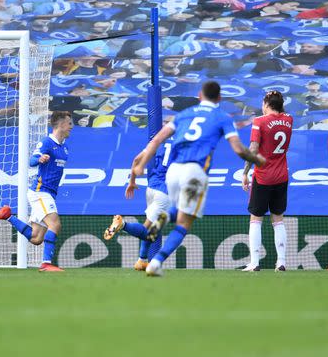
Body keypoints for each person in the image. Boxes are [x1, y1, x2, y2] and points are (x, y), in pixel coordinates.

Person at [130, 81, 266, 277]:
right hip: (194, 171)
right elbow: (238, 148)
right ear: (219, 99)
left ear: (200, 96)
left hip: (173, 171)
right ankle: (156, 262)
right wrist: (257, 159)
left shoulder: (184, 114)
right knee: (184, 223)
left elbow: (157, 140)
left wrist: (141, 164)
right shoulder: (222, 117)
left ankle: (155, 228)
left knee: (176, 210)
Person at [0, 111, 72, 272]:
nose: (72, 127)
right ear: (60, 125)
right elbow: (32, 160)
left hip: (49, 194)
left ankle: (8, 215)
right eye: (69, 123)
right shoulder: (47, 142)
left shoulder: (65, 147)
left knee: (36, 238)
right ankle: (46, 264)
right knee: (55, 224)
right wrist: (39, 159)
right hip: (41, 192)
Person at [103, 133, 175, 272]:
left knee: (152, 227)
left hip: (151, 188)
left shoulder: (158, 142)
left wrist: (132, 182)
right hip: (165, 192)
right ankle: (122, 224)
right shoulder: (183, 146)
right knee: (150, 233)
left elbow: (136, 160)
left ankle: (142, 260)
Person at [241, 91, 293, 272]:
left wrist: (245, 172)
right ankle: (281, 262)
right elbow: (282, 115)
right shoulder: (289, 120)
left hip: (263, 176)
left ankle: (254, 262)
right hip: (282, 176)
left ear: (265, 103)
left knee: (256, 219)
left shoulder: (259, 122)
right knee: (278, 219)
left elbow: (253, 149)